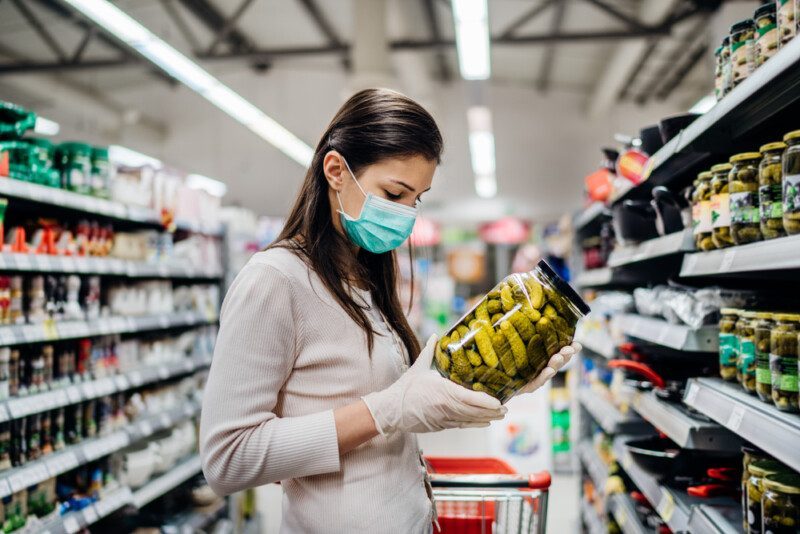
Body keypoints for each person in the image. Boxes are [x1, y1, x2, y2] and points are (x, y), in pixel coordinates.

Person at [199, 88, 580, 533]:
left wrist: (504, 378)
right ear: (336, 170)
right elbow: (227, 459)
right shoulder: (274, 281)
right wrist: (385, 411)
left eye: (416, 199)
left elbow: (386, 406)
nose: (406, 215)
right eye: (394, 193)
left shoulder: (365, 281)